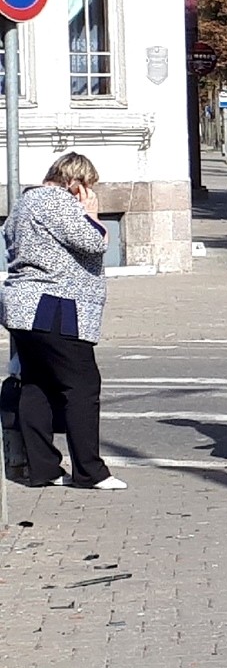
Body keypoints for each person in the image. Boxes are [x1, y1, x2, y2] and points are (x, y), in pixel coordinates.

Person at [1, 153, 125, 490]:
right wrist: (92, 215)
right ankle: (90, 472)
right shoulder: (56, 201)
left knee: (37, 384)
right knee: (82, 386)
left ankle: (45, 469)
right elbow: (94, 242)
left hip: (24, 306)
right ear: (76, 183)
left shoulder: (24, 203)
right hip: (56, 306)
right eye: (87, 187)